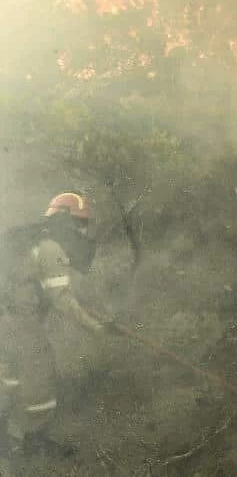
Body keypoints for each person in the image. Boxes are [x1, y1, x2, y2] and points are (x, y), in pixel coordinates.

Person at [0, 192, 113, 456]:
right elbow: (62, 299)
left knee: (10, 377)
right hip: (19, 323)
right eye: (80, 222)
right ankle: (32, 442)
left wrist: (90, 308)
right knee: (39, 376)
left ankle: (7, 441)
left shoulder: (35, 242)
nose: (83, 230)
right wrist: (96, 328)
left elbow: (55, 287)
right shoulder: (51, 247)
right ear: (65, 219)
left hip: (7, 321)